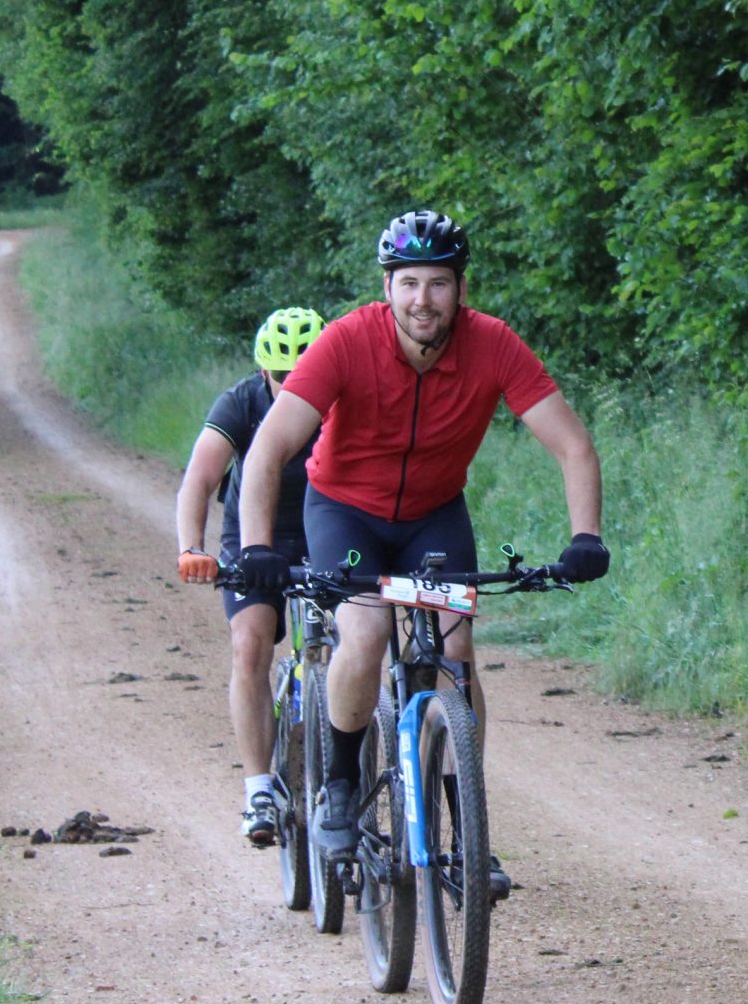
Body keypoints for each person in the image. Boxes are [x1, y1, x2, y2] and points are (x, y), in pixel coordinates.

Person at [233, 210, 607, 861]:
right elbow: (268, 448)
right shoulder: (347, 341)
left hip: (434, 514)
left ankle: (468, 835)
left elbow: (573, 445)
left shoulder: (493, 345)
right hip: (345, 510)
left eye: (437, 283)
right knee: (366, 632)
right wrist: (258, 547)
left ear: (461, 288)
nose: (422, 299)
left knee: (456, 648)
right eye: (408, 283)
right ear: (388, 288)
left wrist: (586, 536)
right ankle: (341, 786)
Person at [174, 306, 325, 844]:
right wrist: (191, 547)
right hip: (254, 536)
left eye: (306, 373)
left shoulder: (344, 399)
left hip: (327, 529)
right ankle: (259, 790)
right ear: (264, 372)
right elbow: (200, 479)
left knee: (352, 639)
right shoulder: (241, 403)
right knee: (250, 643)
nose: (294, 385)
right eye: (283, 375)